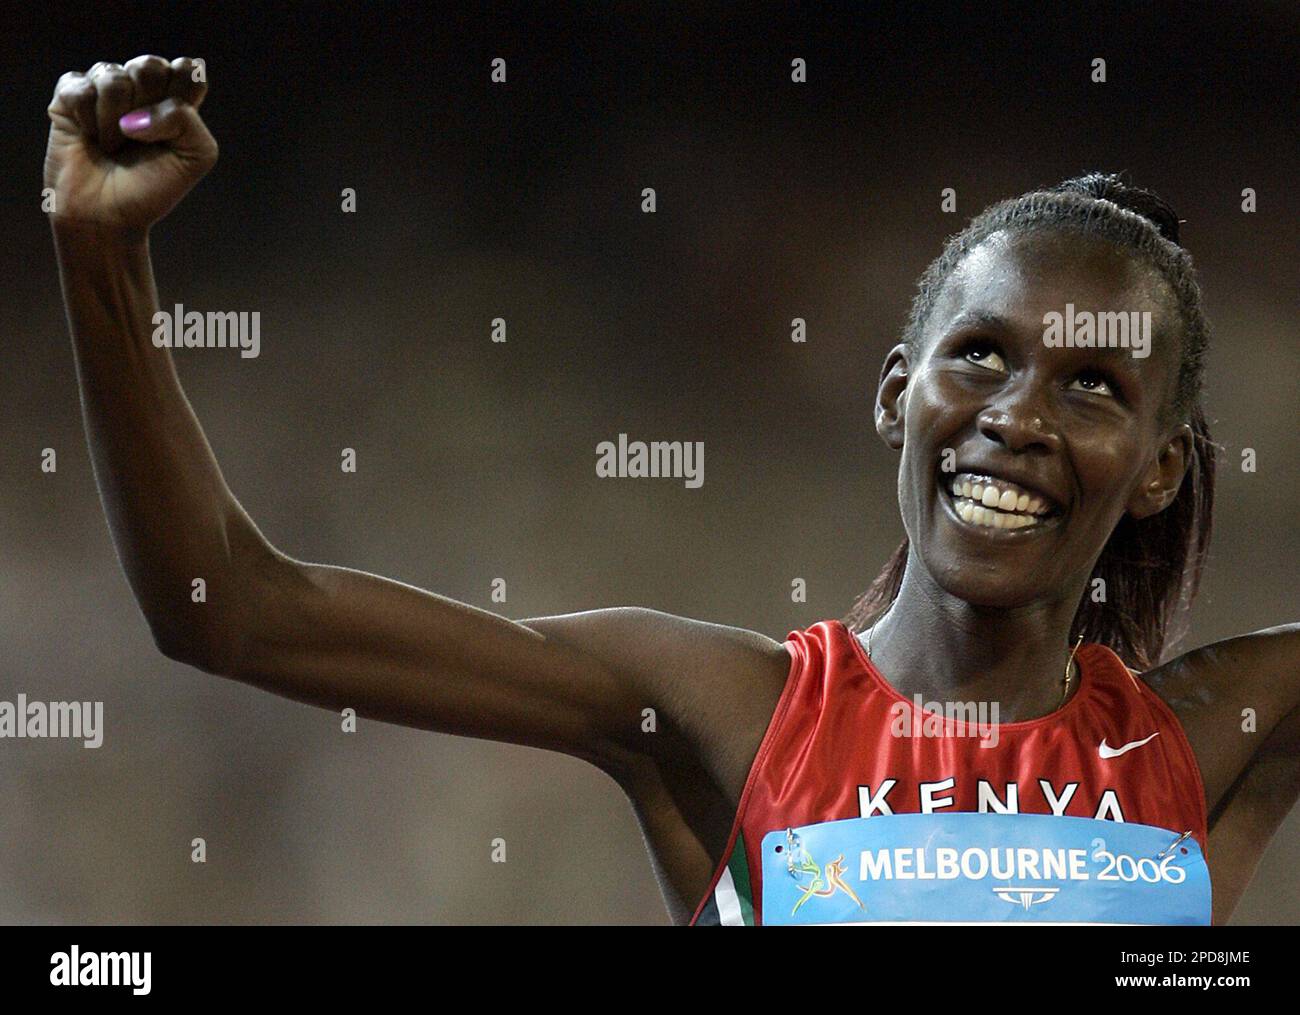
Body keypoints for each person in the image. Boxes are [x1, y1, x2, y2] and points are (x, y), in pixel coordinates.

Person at [46, 55, 1299, 926]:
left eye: (1092, 388)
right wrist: (104, 260)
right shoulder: (729, 715)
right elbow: (230, 609)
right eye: (980, 355)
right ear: (894, 394)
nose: (1017, 416)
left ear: (1159, 469)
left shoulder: (1207, 741)